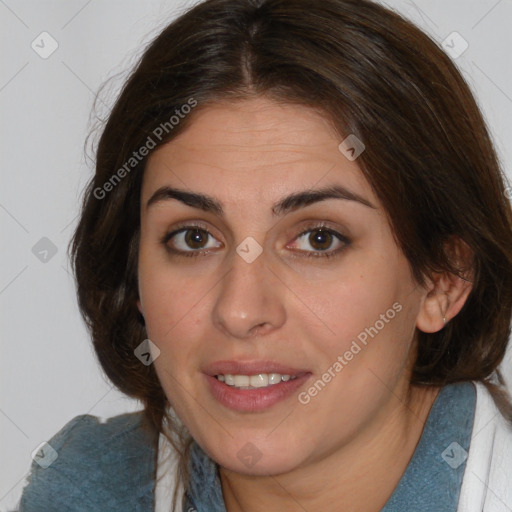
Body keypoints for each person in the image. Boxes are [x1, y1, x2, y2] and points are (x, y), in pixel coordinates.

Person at [17, 0, 512, 510]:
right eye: (193, 238)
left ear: (442, 280)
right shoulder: (87, 489)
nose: (240, 311)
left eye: (319, 239)